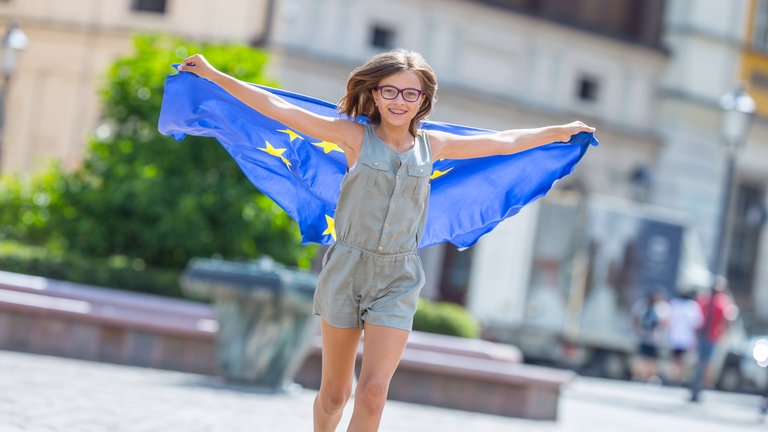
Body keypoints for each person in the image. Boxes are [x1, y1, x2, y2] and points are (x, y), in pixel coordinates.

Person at [177, 49, 594, 432]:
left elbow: (504, 142)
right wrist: (216, 77)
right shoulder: (352, 136)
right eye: (390, 91)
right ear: (374, 95)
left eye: (410, 93)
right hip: (346, 270)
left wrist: (558, 131)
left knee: (374, 393)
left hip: (399, 275)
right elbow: (280, 108)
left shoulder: (436, 145)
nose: (399, 101)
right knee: (336, 394)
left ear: (423, 100)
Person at [696, 276, 738, 388]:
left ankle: (700, 381)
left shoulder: (705, 299)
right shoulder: (724, 301)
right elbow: (729, 319)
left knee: (702, 359)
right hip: (713, 335)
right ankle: (705, 382)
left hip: (707, 335)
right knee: (709, 361)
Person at [631, 289, 670, 383]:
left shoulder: (659, 307)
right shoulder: (659, 307)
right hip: (649, 337)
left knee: (647, 358)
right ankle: (642, 375)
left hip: (651, 337)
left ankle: (647, 376)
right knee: (646, 358)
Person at [665, 290, 704, 385]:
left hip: (679, 338)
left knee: (678, 359)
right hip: (683, 338)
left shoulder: (676, 304)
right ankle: (677, 378)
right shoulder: (692, 306)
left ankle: (676, 378)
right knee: (678, 359)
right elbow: (698, 323)